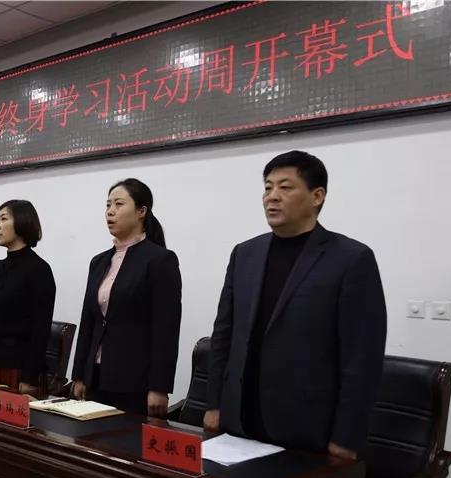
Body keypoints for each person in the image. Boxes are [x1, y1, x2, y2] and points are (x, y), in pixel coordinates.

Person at [204, 150, 387, 459]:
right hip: (239, 421)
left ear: (317, 196)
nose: (272, 196)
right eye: (267, 187)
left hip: (307, 429)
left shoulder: (351, 259)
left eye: (285, 187)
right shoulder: (245, 254)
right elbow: (224, 334)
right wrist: (214, 404)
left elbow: (361, 358)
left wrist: (346, 438)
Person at [71, 179, 182, 416]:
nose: (110, 211)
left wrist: (159, 387)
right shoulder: (99, 261)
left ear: (141, 211)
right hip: (95, 376)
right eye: (108, 205)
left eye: (119, 204)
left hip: (134, 381)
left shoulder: (160, 260)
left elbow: (166, 329)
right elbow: (88, 321)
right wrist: (79, 374)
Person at [0, 200, 56, 393]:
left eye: (3, 219)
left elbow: (40, 329)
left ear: (22, 221)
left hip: (17, 368)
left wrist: (29, 378)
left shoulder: (39, 270)